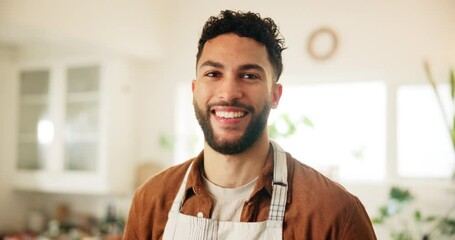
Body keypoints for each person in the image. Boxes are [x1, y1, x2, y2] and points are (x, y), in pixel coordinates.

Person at [123, 10, 377, 240]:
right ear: (194, 90)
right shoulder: (151, 200)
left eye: (249, 76)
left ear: (275, 95)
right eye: (213, 74)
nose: (229, 92)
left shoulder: (334, 213)